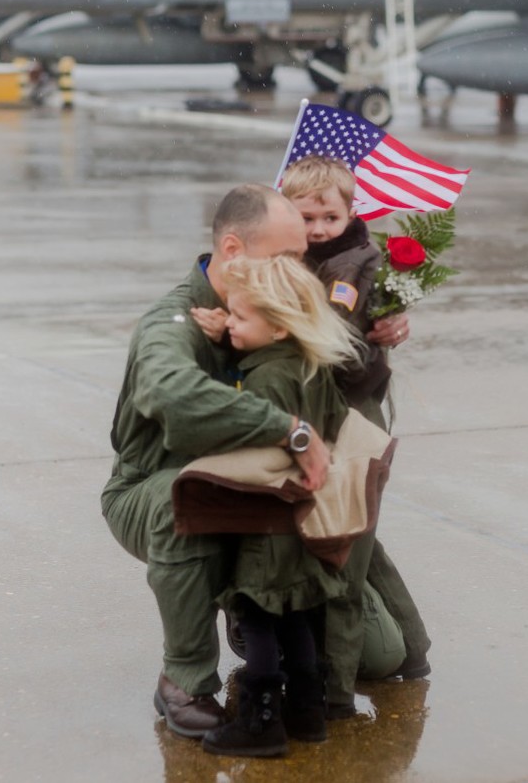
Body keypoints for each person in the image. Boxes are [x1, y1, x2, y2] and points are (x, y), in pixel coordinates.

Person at [101, 184, 377, 739]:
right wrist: (289, 430)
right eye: (286, 257)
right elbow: (174, 395)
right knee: (186, 500)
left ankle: (250, 605)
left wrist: (384, 332)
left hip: (265, 493)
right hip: (156, 487)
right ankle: (184, 678)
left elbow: (339, 365)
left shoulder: (270, 300)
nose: (302, 269)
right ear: (233, 250)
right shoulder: (172, 324)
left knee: (382, 653)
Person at [200, 253, 363, 756]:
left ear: (277, 329)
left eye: (240, 316)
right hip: (303, 520)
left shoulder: (266, 379)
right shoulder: (310, 368)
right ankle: (307, 712)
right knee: (294, 613)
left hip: (265, 522)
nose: (229, 321)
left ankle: (261, 722)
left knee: (255, 612)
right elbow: (335, 425)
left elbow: (247, 435)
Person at [280, 155, 432, 678]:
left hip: (351, 408)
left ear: (350, 214)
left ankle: (381, 658)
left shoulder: (348, 265)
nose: (319, 229)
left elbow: (337, 343)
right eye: (306, 218)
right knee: (357, 532)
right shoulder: (297, 256)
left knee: (354, 536)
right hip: (324, 406)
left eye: (329, 218)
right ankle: (412, 646)